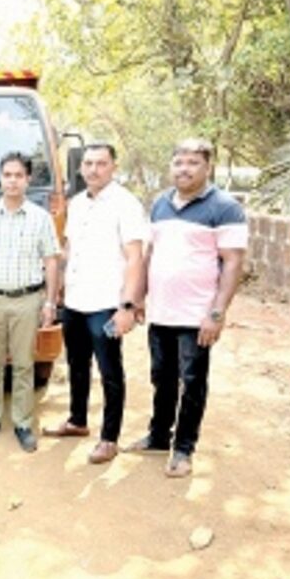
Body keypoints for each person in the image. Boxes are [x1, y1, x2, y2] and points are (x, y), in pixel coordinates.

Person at [125, 138, 248, 478]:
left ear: (207, 167)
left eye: (193, 162)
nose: (184, 168)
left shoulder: (224, 207)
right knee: (161, 378)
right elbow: (151, 256)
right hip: (162, 311)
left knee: (192, 382)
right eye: (179, 162)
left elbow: (234, 263)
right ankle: (158, 437)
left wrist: (216, 313)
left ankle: (183, 449)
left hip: (197, 316)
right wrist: (138, 297)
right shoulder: (160, 204)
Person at [43, 143, 147, 464]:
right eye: (88, 163)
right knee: (77, 364)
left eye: (101, 164)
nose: (93, 170)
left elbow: (134, 258)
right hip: (76, 300)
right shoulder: (76, 204)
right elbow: (69, 250)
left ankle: (110, 438)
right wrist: (58, 290)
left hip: (106, 303)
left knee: (109, 370)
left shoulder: (125, 204)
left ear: (113, 167)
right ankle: (77, 420)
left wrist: (128, 306)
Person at [0, 151, 61, 453]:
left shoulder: (40, 218)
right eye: (7, 175)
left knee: (23, 365)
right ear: (0, 178)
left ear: (28, 179)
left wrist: (50, 302)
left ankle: (22, 423)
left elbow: (51, 262)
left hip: (27, 300)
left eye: (19, 175)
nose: (12, 181)